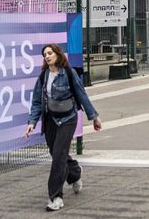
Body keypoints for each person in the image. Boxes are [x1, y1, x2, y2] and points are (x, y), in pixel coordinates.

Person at [25, 43, 103, 212]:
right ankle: (75, 172)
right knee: (56, 153)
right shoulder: (43, 76)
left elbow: (81, 94)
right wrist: (32, 122)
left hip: (68, 118)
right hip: (50, 119)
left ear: (57, 54)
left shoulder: (68, 72)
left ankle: (56, 197)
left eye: (50, 53)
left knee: (58, 156)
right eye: (45, 54)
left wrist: (94, 117)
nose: (47, 56)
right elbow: (37, 101)